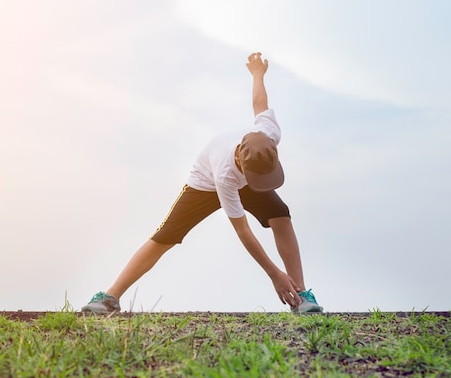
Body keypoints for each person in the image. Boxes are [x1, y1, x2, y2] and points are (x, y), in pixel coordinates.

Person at [82, 52, 323, 314]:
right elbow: (243, 231)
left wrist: (257, 74)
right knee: (166, 236)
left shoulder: (269, 133)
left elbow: (259, 103)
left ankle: (301, 296)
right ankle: (109, 298)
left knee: (281, 216)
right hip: (204, 184)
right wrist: (274, 273)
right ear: (241, 165)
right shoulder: (225, 173)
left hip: (239, 177)